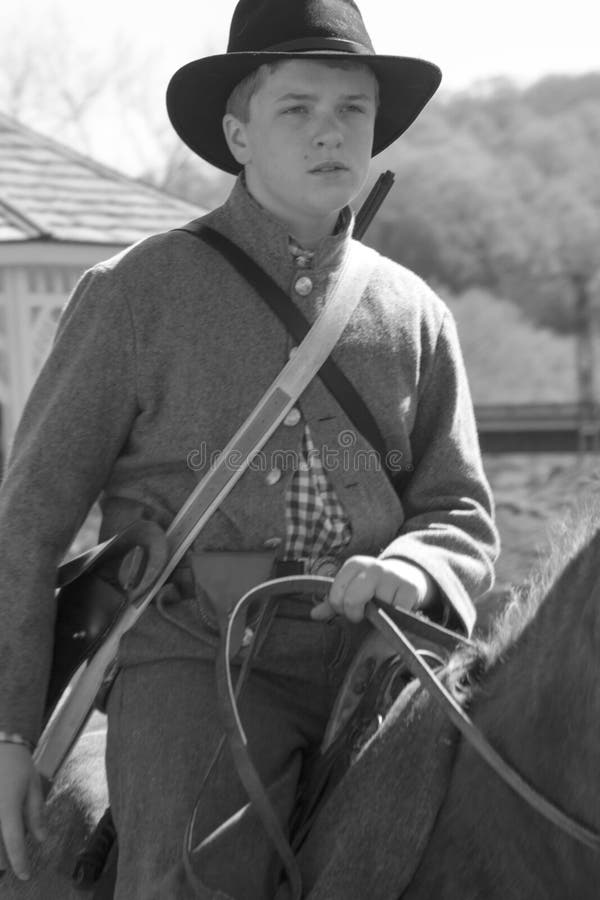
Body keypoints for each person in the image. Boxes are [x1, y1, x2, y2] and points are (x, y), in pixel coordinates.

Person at [0, 0, 499, 897]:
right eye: (297, 109)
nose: (329, 132)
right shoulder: (134, 295)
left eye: (352, 109)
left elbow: (458, 508)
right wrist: (7, 735)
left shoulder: (417, 313)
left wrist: (418, 568)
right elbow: (28, 528)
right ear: (238, 133)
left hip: (380, 661)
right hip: (197, 658)